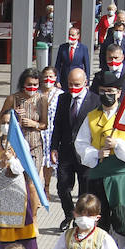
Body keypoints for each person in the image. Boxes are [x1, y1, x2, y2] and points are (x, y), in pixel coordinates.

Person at [77, 71, 125, 249]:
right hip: (98, 174)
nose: (107, 94)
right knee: (100, 217)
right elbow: (80, 144)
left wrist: (118, 145)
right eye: (104, 91)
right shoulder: (91, 117)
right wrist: (95, 153)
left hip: (121, 176)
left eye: (111, 91)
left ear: (119, 92)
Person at [49, 67, 96, 230]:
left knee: (85, 188)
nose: (73, 88)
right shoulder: (63, 99)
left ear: (85, 82)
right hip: (66, 151)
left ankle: (80, 218)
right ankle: (69, 213)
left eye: (77, 84)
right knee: (62, 186)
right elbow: (57, 125)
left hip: (85, 153)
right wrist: (53, 147)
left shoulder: (94, 100)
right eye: (70, 84)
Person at [0, 128, 41, 249]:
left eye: (8, 122)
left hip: (15, 187)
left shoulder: (21, 143)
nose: (5, 125)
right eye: (3, 122)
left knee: (16, 217)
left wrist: (11, 160)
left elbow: (23, 166)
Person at [0, 68, 48, 171]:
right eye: (29, 84)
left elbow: (45, 125)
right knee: (18, 178)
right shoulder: (13, 99)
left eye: (35, 85)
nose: (32, 88)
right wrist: (12, 114)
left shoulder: (42, 99)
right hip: (16, 145)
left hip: (34, 145)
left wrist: (34, 124)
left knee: (32, 180)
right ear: (23, 84)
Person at [38, 65, 64, 197]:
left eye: (51, 76)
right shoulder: (37, 93)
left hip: (52, 133)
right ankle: (37, 189)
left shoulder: (60, 94)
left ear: (55, 78)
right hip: (38, 132)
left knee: (48, 163)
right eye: (46, 76)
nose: (48, 79)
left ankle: (46, 188)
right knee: (38, 161)